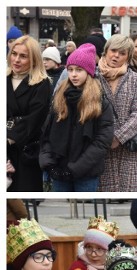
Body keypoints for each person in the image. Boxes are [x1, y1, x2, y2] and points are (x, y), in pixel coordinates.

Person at [39, 43, 115, 192]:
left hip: (86, 173)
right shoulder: (60, 97)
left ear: (89, 72)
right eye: (70, 69)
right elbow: (46, 135)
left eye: (79, 70)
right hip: (59, 170)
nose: (73, 74)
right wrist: (50, 165)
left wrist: (75, 169)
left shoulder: (99, 102)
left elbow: (102, 141)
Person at [96, 34, 137, 192]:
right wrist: (104, 138)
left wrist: (119, 136)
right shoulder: (93, 76)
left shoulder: (135, 79)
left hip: (127, 146)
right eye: (113, 50)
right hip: (99, 144)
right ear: (106, 51)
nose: (116, 55)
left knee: (128, 189)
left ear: (128, 57)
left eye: (122, 53)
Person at [7, 35, 51, 192]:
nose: (17, 59)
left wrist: (9, 137)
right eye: (14, 53)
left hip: (26, 151)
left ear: (33, 59)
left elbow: (35, 118)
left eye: (23, 56)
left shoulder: (42, 83)